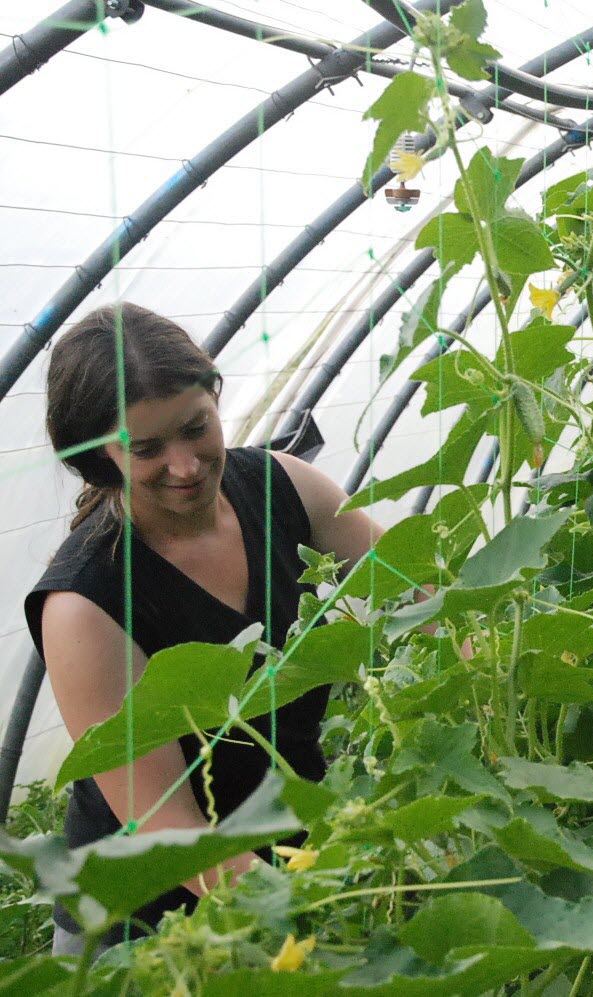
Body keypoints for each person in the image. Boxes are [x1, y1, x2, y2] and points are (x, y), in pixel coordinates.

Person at [25, 303, 384, 954]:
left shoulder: (284, 487)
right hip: (150, 933)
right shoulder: (85, 604)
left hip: (294, 862)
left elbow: (416, 578)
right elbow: (172, 832)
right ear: (100, 459)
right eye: (148, 448)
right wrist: (325, 916)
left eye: (196, 428)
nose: (186, 465)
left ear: (216, 399)